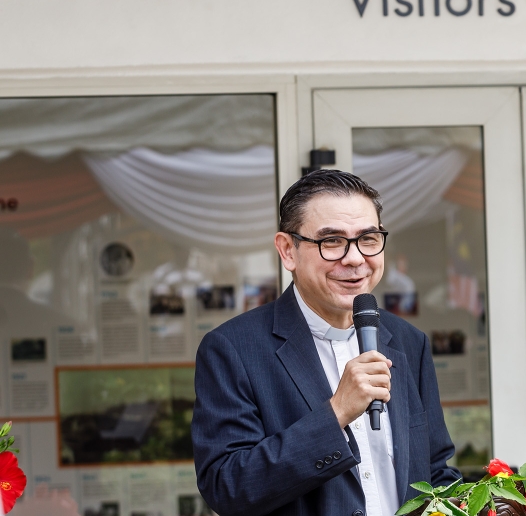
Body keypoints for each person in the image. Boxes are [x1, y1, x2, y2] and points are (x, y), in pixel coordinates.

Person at [192, 170, 462, 516]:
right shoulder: (233, 349)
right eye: (332, 241)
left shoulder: (408, 342)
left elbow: (435, 472)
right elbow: (226, 487)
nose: (354, 259)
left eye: (367, 238)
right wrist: (336, 413)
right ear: (287, 250)